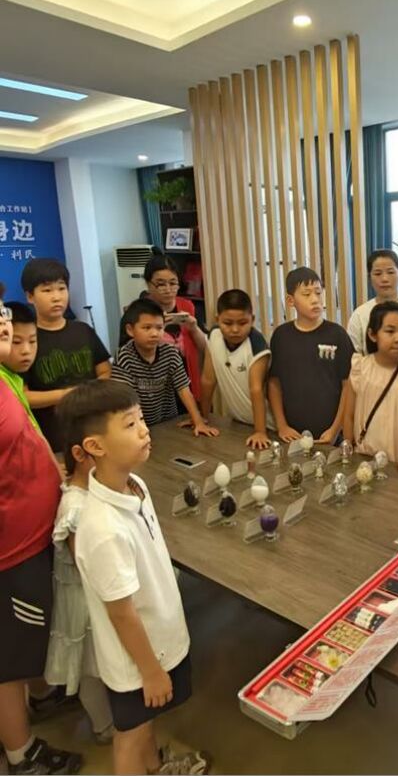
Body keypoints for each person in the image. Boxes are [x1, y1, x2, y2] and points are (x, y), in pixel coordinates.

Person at [64, 381, 209, 775]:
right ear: (94, 446)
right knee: (130, 733)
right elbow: (121, 612)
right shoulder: (102, 528)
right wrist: (150, 671)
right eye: (130, 424)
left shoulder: (135, 485)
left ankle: (155, 767)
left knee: (146, 722)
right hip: (136, 661)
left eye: (142, 419)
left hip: (158, 640)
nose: (144, 430)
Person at [0, 287, 83, 776]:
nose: (4, 323)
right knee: (9, 658)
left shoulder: (6, 376)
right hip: (9, 549)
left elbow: (26, 435)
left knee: (30, 639)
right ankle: (22, 753)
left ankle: (43, 693)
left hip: (33, 534)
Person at [44, 436, 114, 746]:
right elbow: (86, 564)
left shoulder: (87, 492)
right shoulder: (75, 507)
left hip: (88, 596)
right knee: (92, 669)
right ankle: (105, 725)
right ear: (82, 454)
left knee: (95, 667)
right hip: (85, 601)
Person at [22, 258, 111, 451]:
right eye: (47, 290)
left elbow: (105, 372)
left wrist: (88, 394)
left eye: (62, 288)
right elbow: (23, 396)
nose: (57, 297)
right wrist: (69, 394)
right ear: (30, 296)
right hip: (52, 440)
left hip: (94, 430)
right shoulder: (26, 341)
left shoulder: (83, 330)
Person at [268, 267, 354, 443]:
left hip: (332, 435)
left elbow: (349, 385)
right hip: (292, 435)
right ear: (290, 300)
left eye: (318, 292)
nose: (315, 299)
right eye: (306, 294)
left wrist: (335, 429)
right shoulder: (281, 336)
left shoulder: (337, 334)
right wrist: (282, 426)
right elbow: (274, 383)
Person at [112, 299, 218, 437]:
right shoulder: (124, 356)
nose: (154, 333)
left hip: (169, 422)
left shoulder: (170, 353)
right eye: (147, 328)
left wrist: (198, 422)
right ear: (130, 330)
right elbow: (125, 400)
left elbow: (184, 390)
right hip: (139, 426)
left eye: (159, 328)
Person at [343, 301, 398, 472]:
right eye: (390, 331)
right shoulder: (360, 367)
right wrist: (348, 451)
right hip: (364, 460)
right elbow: (349, 416)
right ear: (372, 335)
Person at [119, 256, 206, 401]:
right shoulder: (136, 312)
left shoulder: (188, 307)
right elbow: (126, 354)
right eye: (161, 284)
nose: (168, 289)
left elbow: (205, 348)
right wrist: (157, 331)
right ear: (148, 284)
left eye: (173, 283)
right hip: (152, 389)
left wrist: (194, 328)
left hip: (187, 383)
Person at [200, 289, 272, 449]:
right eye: (227, 323)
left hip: (267, 426)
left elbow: (256, 389)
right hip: (239, 423)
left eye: (242, 323)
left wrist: (260, 432)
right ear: (217, 319)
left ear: (252, 320)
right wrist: (202, 418)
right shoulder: (214, 336)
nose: (235, 329)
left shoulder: (257, 344)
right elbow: (208, 380)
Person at [0, 301, 39, 431]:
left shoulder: (14, 377)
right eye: (16, 342)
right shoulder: (3, 379)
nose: (26, 350)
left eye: (32, 341)